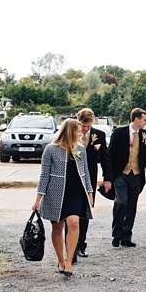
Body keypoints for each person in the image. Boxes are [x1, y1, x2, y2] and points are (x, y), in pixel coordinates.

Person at [31, 118, 92, 277]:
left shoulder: (80, 149)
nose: (80, 134)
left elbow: (86, 172)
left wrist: (90, 193)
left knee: (73, 223)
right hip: (56, 194)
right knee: (57, 227)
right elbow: (44, 176)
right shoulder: (50, 150)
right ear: (70, 131)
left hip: (76, 193)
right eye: (78, 131)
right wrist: (38, 199)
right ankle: (60, 260)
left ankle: (70, 260)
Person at [102, 107, 146, 248]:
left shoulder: (145, 135)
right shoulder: (119, 132)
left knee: (132, 206)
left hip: (136, 175)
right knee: (121, 203)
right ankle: (116, 234)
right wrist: (107, 177)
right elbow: (109, 155)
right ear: (136, 119)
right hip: (121, 174)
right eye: (144, 120)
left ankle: (126, 236)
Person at [75, 108, 108, 259]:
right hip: (72, 177)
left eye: (88, 126)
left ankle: (81, 244)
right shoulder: (71, 134)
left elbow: (105, 159)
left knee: (85, 211)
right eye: (83, 126)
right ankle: (71, 245)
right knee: (71, 212)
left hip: (90, 179)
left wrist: (107, 178)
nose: (85, 129)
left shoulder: (99, 135)